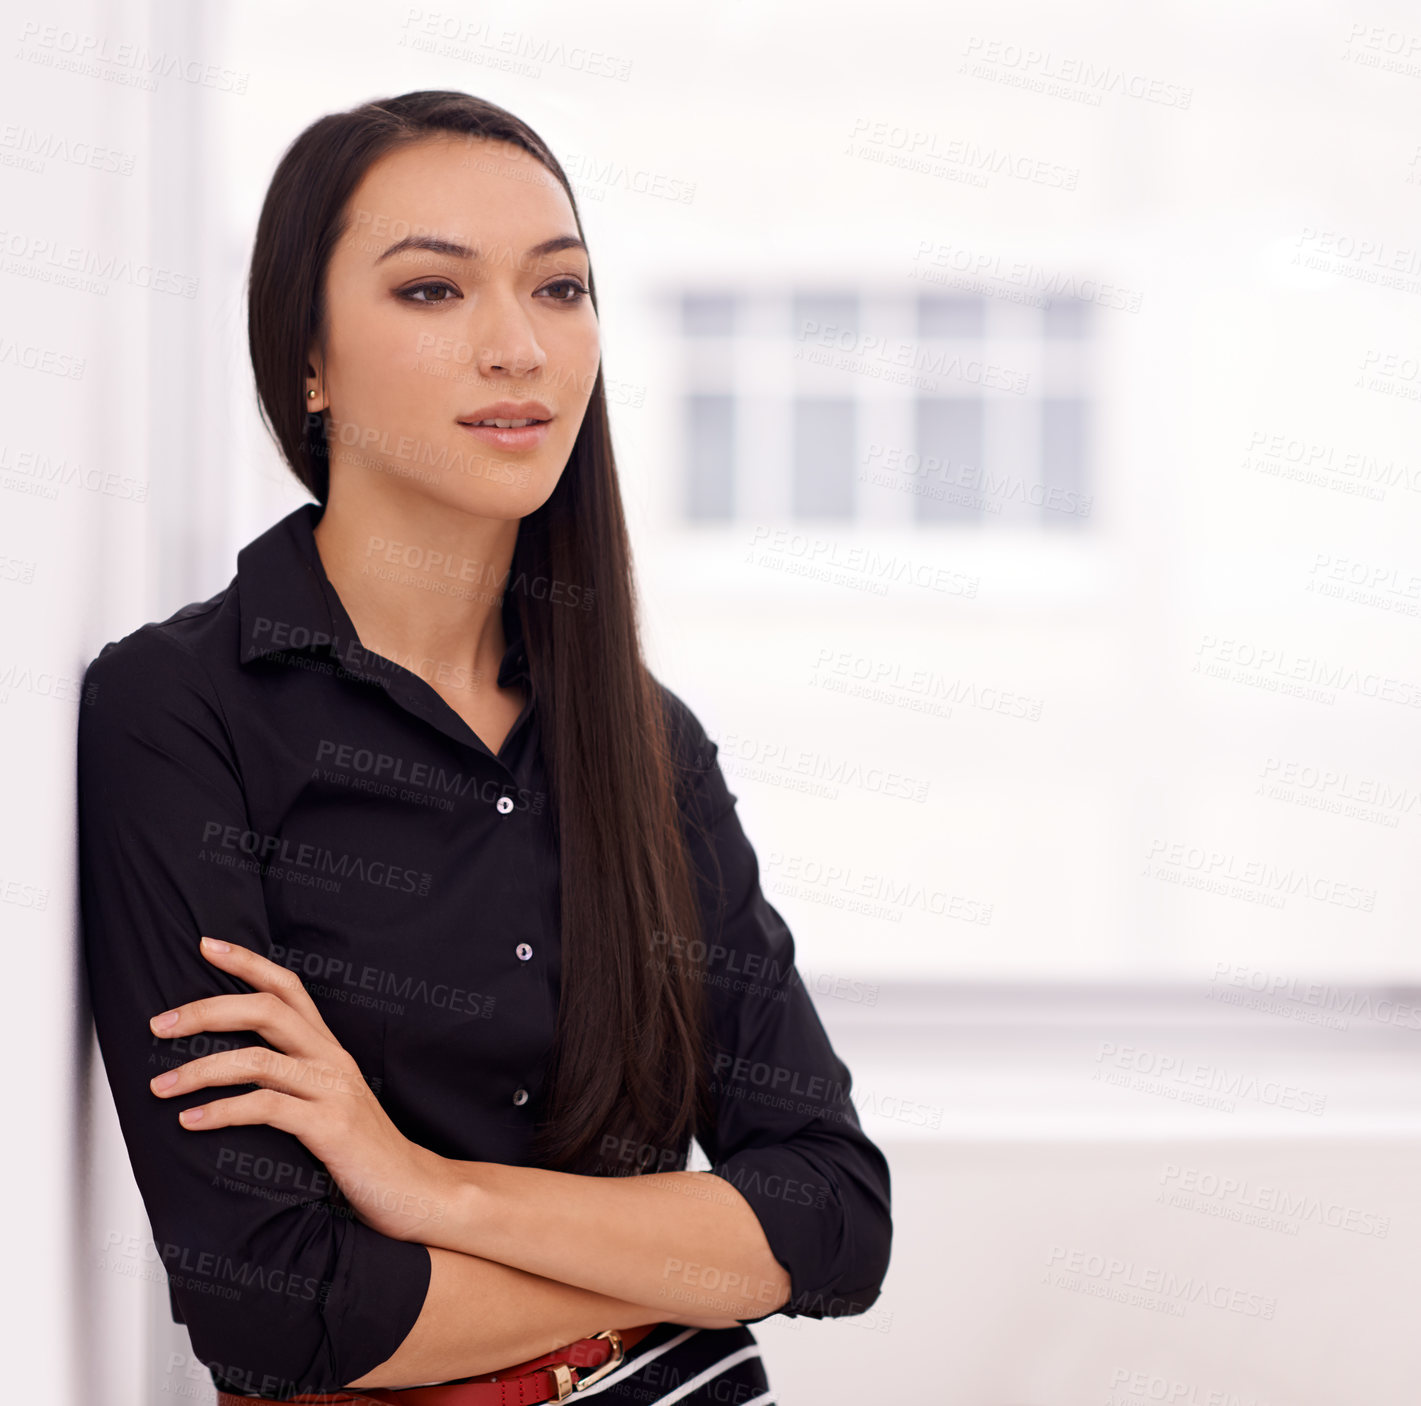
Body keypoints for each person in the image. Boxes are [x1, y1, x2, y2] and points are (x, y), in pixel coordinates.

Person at [76, 90, 892, 1405]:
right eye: (432, 293)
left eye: (559, 288)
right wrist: (690, 1252)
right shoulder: (180, 715)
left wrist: (424, 1187)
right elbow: (276, 1307)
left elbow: (836, 1216)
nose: (518, 346)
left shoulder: (645, 742)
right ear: (308, 362)